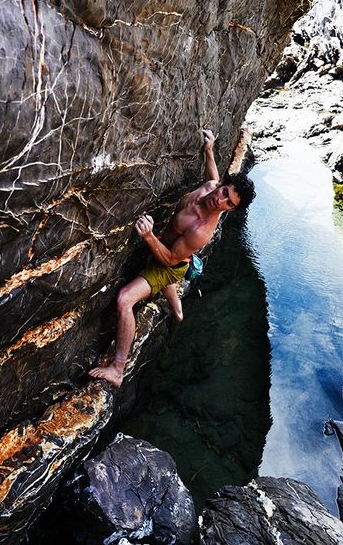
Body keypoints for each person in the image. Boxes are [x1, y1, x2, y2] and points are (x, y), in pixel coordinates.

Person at [89, 129, 256, 387]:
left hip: (170, 264)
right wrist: (209, 151)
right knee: (170, 273)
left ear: (231, 209)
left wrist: (148, 237)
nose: (220, 201)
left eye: (228, 204)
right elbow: (211, 176)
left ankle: (118, 369)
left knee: (125, 300)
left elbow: (167, 260)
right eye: (225, 192)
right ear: (223, 184)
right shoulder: (213, 186)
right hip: (172, 250)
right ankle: (177, 310)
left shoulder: (201, 231)